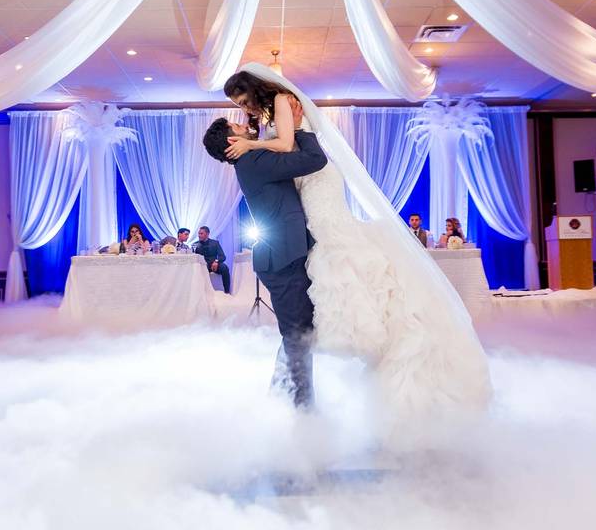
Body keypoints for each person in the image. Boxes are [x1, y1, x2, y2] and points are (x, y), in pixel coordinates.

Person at [212, 65, 492, 418]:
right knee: (301, 326)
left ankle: (297, 399)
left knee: (316, 303)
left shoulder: (275, 113)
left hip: (312, 191)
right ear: (230, 144)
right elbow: (297, 152)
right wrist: (264, 139)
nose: (245, 112)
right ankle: (297, 403)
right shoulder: (252, 156)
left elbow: (297, 151)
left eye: (243, 102)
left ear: (254, 89)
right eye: (239, 115)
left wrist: (263, 138)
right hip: (294, 222)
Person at [203, 112, 324, 408]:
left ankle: (285, 396)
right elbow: (314, 159)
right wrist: (298, 129)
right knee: (298, 334)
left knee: (298, 332)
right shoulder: (253, 161)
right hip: (282, 260)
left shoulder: (252, 159)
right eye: (239, 126)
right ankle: (302, 407)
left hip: (284, 254)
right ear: (233, 139)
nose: (247, 127)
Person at [192, 226, 231, 294]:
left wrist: (216, 262)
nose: (199, 235)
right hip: (202, 266)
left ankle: (227, 292)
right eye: (198, 233)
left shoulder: (215, 243)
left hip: (214, 265)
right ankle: (200, 293)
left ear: (207, 234)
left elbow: (222, 256)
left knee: (225, 268)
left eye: (201, 233)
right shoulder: (195, 244)